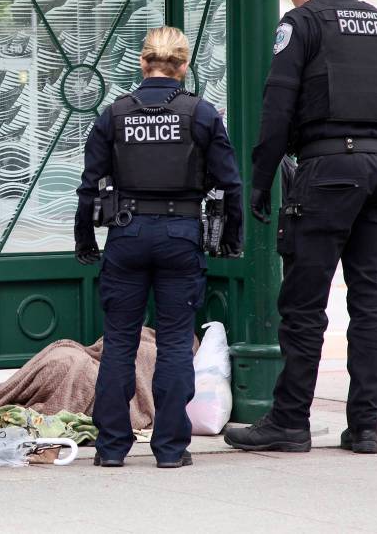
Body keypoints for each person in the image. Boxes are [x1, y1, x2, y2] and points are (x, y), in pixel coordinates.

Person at [224, 0, 377, 455]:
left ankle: (289, 422)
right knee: (369, 298)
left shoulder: (301, 23)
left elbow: (277, 104)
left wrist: (260, 181)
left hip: (328, 170)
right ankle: (365, 427)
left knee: (305, 306)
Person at [75, 26, 243, 468]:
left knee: (118, 343)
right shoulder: (201, 114)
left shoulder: (114, 114)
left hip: (126, 235)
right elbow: (230, 184)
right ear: (183, 66)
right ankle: (170, 449)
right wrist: (230, 239)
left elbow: (89, 186)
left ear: (141, 62)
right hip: (180, 234)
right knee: (172, 343)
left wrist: (85, 240)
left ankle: (111, 449)